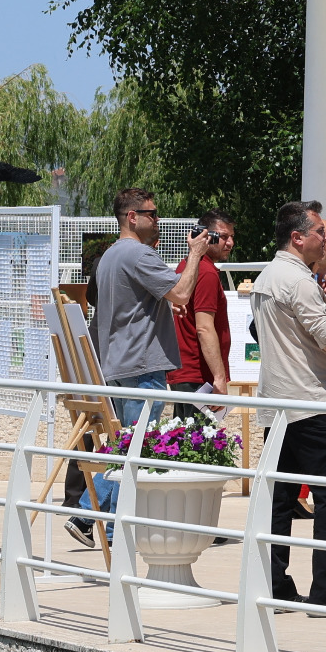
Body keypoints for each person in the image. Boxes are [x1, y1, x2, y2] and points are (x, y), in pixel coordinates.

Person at [248, 201, 326, 614]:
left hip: (278, 404)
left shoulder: (269, 275)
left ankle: (275, 583)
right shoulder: (299, 280)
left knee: (280, 500)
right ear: (298, 237)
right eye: (321, 232)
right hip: (311, 404)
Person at [78, 190, 212, 528]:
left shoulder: (108, 256)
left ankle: (97, 522)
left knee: (127, 445)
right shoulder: (138, 255)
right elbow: (181, 292)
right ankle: (94, 520)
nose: (158, 220)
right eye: (151, 214)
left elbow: (114, 301)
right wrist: (195, 253)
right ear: (131, 217)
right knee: (135, 449)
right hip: (142, 365)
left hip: (117, 364)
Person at [168, 210, 238, 400]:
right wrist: (219, 378)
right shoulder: (205, 272)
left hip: (185, 373)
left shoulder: (187, 265)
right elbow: (204, 328)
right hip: (198, 375)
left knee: (184, 430)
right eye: (223, 237)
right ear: (207, 236)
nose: (230, 243)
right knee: (201, 430)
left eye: (231, 237)